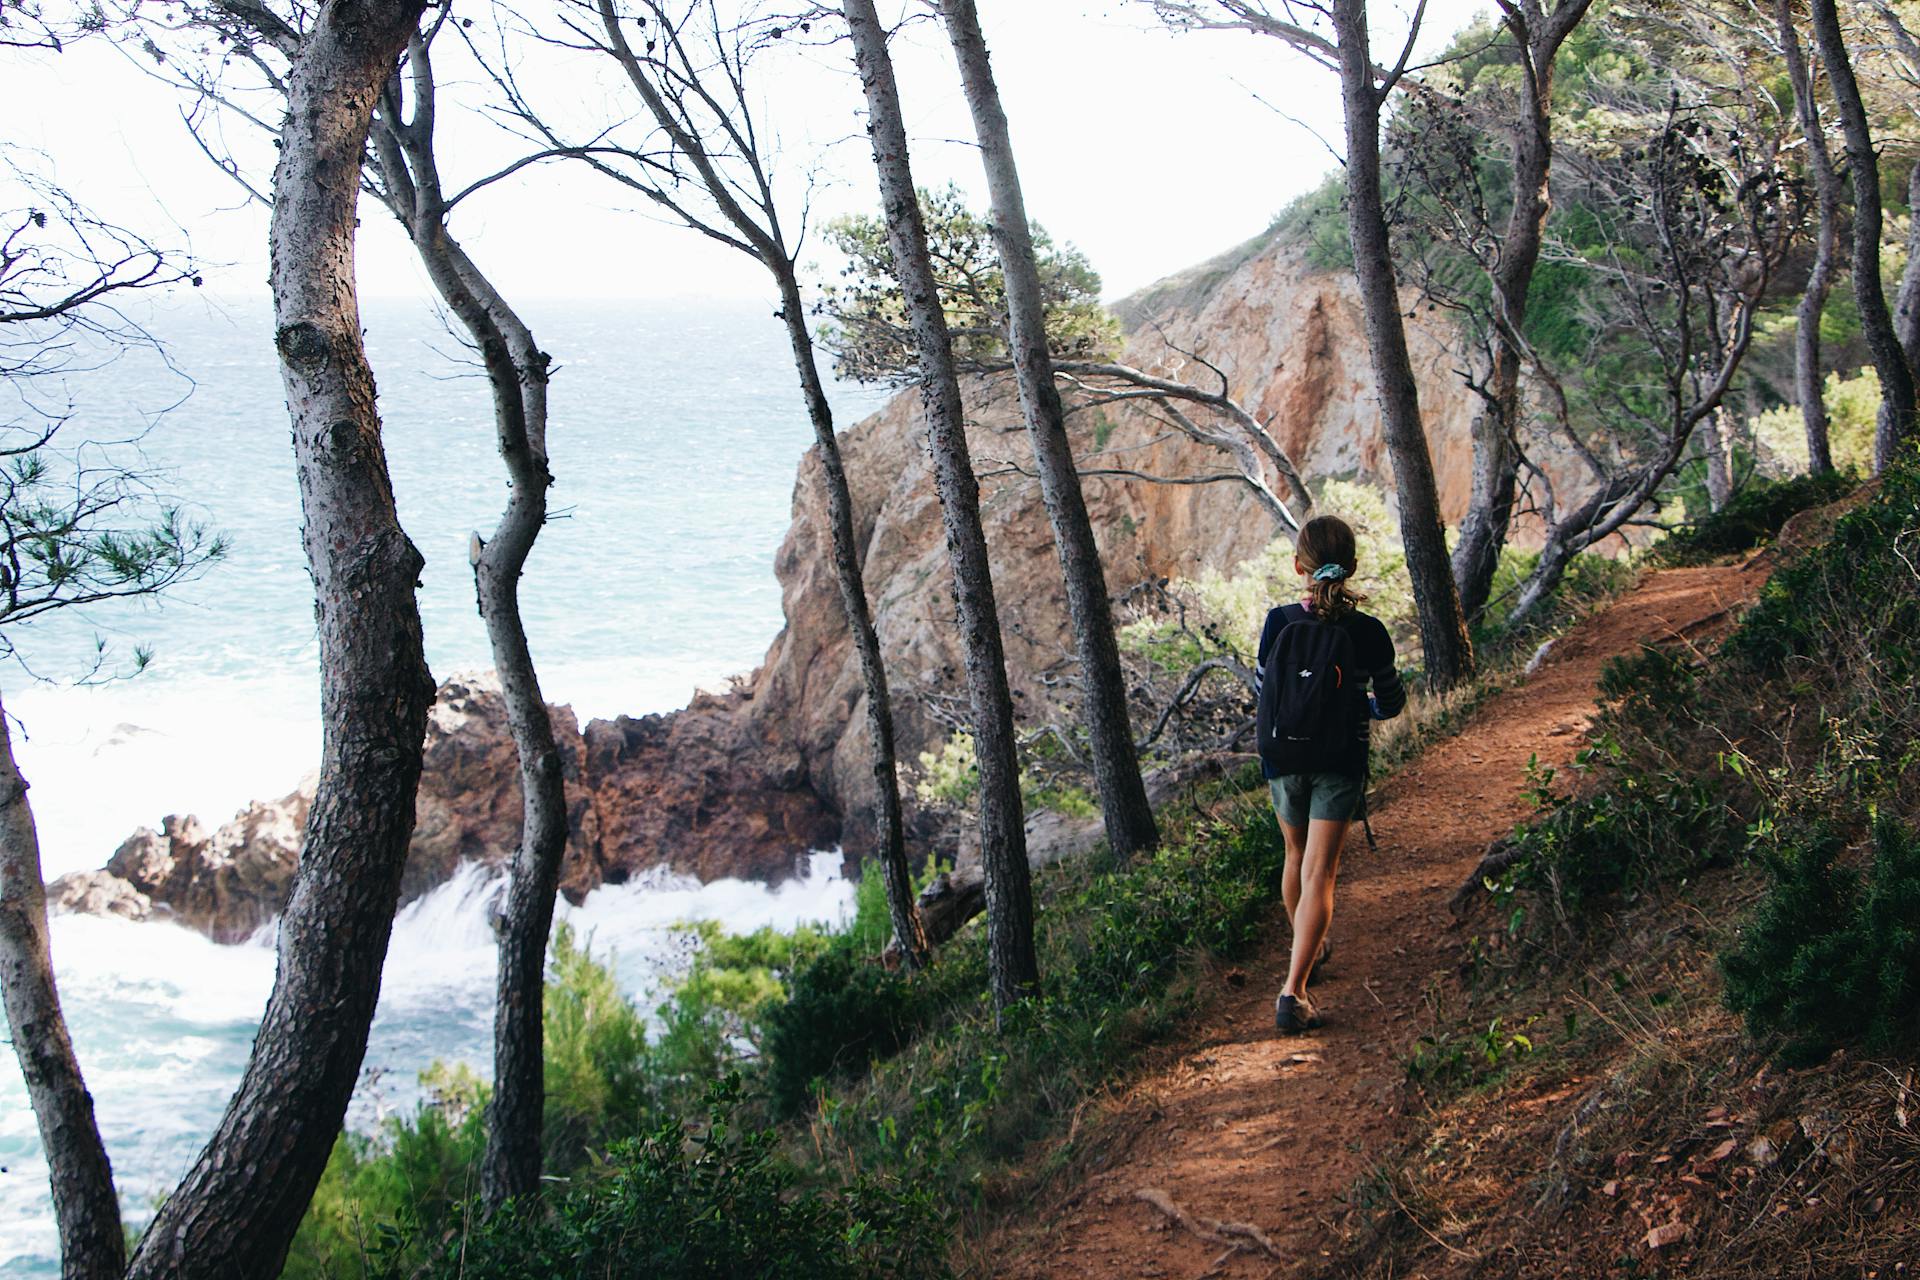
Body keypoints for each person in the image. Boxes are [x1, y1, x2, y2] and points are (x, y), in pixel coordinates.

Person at [1253, 514, 1405, 1034]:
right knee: (1323, 872)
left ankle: (1306, 949)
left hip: (1283, 759)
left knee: (1295, 858)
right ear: (1354, 566)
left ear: (1299, 567)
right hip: (1339, 761)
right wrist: (1356, 706)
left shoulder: (1277, 622)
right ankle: (1293, 991)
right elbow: (1391, 701)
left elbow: (1263, 692)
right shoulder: (1368, 631)